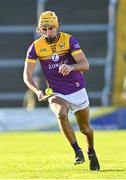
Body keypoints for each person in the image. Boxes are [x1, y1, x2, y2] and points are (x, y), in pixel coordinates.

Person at [23, 11, 100, 171]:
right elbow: (27, 75)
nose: (47, 32)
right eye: (43, 29)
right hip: (56, 92)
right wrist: (37, 91)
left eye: (50, 28)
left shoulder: (69, 40)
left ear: (57, 26)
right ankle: (77, 151)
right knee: (61, 113)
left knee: (85, 128)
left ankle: (91, 152)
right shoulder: (35, 47)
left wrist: (71, 66)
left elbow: (85, 65)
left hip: (77, 89)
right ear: (39, 29)